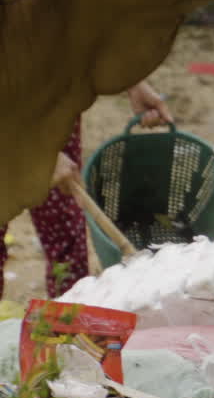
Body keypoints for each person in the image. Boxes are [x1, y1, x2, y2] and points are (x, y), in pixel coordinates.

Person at [0, 81, 172, 298]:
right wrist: (33, 148)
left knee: (65, 235)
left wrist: (132, 80)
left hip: (53, 101)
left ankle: (68, 321)